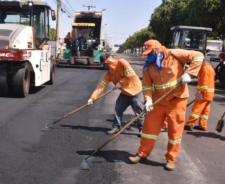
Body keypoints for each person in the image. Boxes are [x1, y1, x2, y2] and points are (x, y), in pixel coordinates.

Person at [128, 39, 204, 171]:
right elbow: (146, 85)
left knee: (175, 131)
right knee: (148, 129)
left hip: (177, 99)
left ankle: (171, 159)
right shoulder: (148, 66)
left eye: (150, 52)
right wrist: (148, 99)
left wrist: (189, 73)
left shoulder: (174, 54)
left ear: (158, 49)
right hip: (158, 101)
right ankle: (142, 153)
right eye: (147, 53)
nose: (148, 55)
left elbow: (199, 56)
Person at [88, 52, 145, 136]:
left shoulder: (122, 62)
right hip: (125, 92)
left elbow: (131, 76)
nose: (104, 67)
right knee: (118, 108)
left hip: (135, 91)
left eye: (104, 64)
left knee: (138, 111)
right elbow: (101, 87)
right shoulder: (109, 74)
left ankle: (141, 129)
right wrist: (92, 98)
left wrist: (120, 83)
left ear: (108, 61)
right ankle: (116, 127)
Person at [185, 57, 215, 131]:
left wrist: (200, 92)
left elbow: (204, 82)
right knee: (205, 110)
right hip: (210, 93)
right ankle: (202, 125)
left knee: (196, 109)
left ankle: (190, 124)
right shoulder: (210, 68)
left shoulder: (205, 69)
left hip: (204, 93)